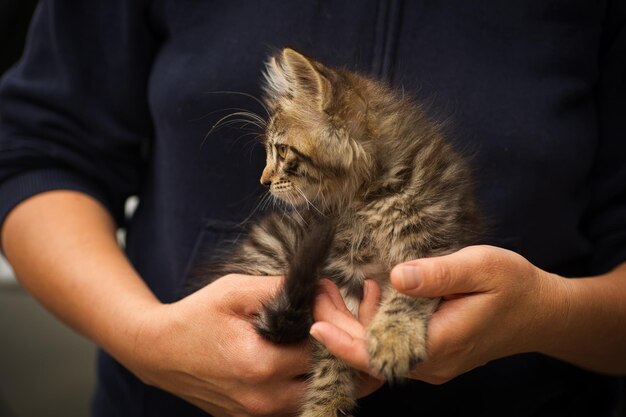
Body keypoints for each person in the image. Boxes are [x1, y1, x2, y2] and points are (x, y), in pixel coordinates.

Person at [0, 1, 624, 416]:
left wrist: (545, 313)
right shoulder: (324, 204)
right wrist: (147, 340)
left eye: (281, 155)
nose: (267, 177)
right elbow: (33, 150)